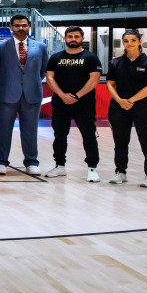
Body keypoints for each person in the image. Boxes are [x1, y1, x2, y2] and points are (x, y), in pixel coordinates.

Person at [0, 14, 49, 175]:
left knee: (30, 130)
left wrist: (30, 82)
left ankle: (31, 162)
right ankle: (0, 161)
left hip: (32, 93)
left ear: (29, 26)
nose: (21, 28)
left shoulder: (41, 47)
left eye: (24, 25)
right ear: (11, 28)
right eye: (17, 25)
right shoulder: (0, 47)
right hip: (5, 93)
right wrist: (4, 83)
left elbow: (43, 70)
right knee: (3, 130)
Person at [44, 26, 102, 181]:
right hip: (60, 103)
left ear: (82, 38)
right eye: (70, 36)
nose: (73, 39)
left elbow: (94, 79)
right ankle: (59, 166)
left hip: (84, 104)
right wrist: (62, 95)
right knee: (59, 135)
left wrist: (77, 96)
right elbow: (50, 77)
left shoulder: (91, 57)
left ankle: (92, 168)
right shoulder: (56, 57)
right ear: (65, 39)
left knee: (88, 135)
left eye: (76, 36)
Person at [106, 29, 147, 188]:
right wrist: (119, 100)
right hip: (119, 107)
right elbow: (110, 84)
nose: (129, 43)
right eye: (126, 41)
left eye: (133, 40)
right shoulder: (115, 63)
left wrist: (131, 100)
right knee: (120, 141)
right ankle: (120, 172)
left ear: (139, 42)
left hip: (143, 107)